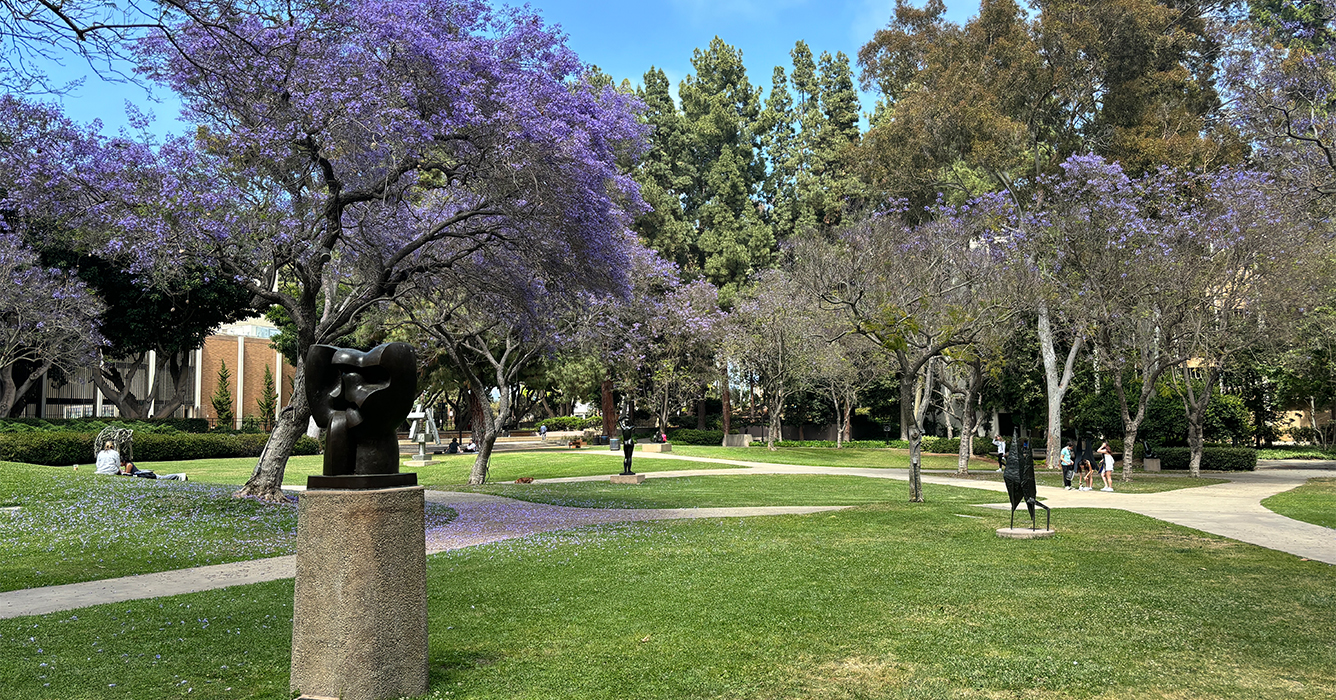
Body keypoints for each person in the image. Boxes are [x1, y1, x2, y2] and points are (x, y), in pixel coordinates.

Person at [121, 459, 188, 481]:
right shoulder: (127, 464)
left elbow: (128, 474)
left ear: (124, 461)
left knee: (162, 478)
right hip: (143, 474)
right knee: (162, 477)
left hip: (145, 474)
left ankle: (179, 476)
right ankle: (178, 476)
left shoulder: (129, 465)